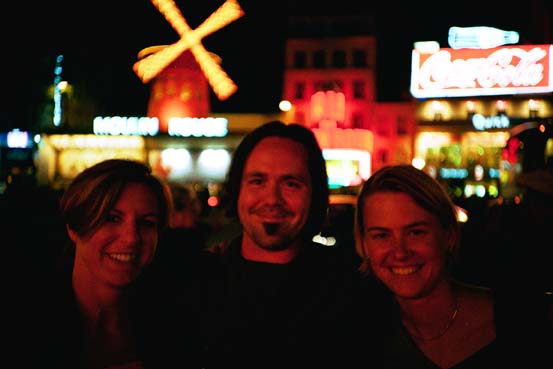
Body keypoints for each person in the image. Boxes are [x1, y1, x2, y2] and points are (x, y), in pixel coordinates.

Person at [354, 164, 553, 369]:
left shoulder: (529, 320)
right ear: (363, 244)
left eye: (416, 232)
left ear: (448, 234)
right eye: (382, 235)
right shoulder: (357, 337)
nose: (400, 252)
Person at [202, 120, 364, 369]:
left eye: (291, 184)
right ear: (238, 189)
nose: (272, 199)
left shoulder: (353, 291)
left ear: (314, 194)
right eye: (258, 181)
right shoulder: (197, 283)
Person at [28, 159, 204, 369]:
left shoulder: (176, 324)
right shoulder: (24, 322)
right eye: (111, 218)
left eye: (146, 223)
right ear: (74, 227)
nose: (131, 238)